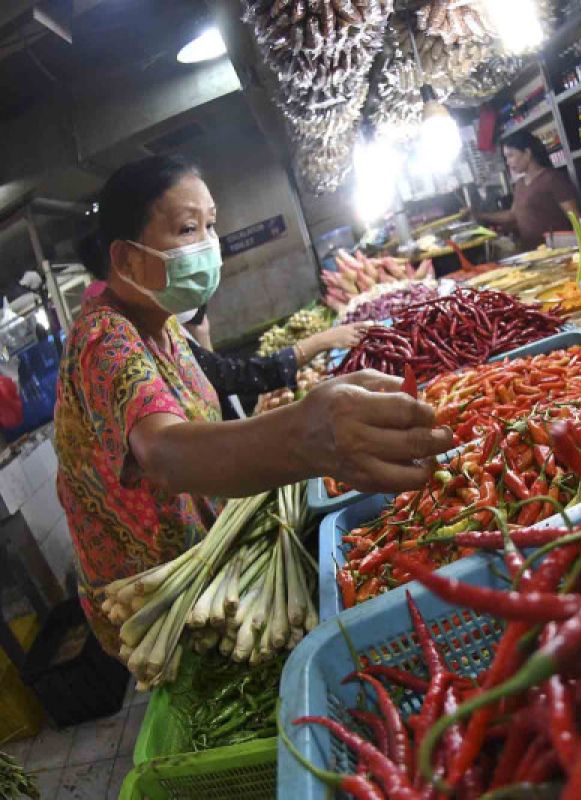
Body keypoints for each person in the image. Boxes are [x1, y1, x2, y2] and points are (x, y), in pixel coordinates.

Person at [57, 155, 453, 655]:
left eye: (211, 225)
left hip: (213, 571)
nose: (207, 245)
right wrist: (308, 435)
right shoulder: (104, 339)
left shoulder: (164, 326)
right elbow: (161, 453)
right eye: (186, 228)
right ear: (127, 259)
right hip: (157, 598)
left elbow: (218, 383)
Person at [178, 309, 370, 420]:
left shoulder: (175, 331)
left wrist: (202, 333)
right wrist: (318, 342)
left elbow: (215, 370)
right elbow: (235, 375)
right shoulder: (158, 345)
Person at [479, 131, 579, 250]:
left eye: (511, 155)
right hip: (533, 253)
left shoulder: (552, 178)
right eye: (506, 157)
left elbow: (576, 218)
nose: (508, 162)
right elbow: (512, 215)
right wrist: (480, 216)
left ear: (527, 153)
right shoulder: (520, 184)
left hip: (558, 251)